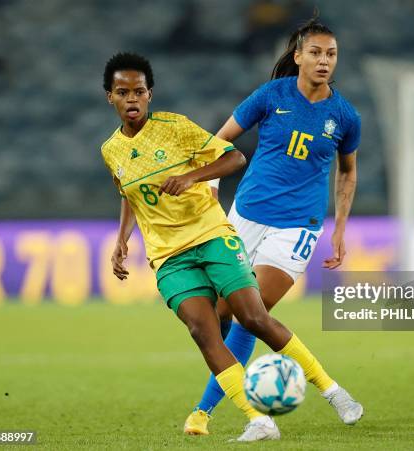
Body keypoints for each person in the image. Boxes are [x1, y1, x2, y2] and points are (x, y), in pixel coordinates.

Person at [100, 52, 362, 442]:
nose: (132, 98)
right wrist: (122, 239)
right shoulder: (111, 150)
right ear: (111, 97)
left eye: (138, 90)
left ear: (150, 93)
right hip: (171, 255)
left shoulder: (175, 128)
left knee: (252, 317)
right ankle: (257, 419)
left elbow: (234, 155)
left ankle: (332, 391)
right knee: (203, 328)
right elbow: (129, 195)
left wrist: (193, 178)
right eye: (123, 92)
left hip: (220, 235)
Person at [185, 16, 361, 435]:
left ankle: (208, 412)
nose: (324, 61)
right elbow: (219, 141)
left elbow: (347, 173)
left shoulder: (345, 116)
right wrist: (211, 183)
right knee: (221, 313)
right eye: (316, 53)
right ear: (298, 56)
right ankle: (237, 408)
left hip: (297, 226)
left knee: (251, 313)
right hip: (244, 216)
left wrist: (338, 229)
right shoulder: (271, 95)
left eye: (331, 54)